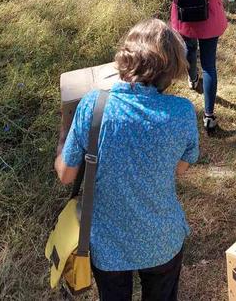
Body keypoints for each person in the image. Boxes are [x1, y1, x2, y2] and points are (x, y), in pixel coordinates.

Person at [55, 18, 198, 301]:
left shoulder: (93, 105)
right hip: (162, 240)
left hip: (108, 244)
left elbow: (66, 175)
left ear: (125, 57)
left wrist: (64, 135)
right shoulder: (182, 111)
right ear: (172, 69)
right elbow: (180, 168)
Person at [164, 0, 228, 132]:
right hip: (209, 19)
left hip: (185, 20)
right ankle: (209, 116)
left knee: (190, 49)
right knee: (209, 65)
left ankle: (192, 79)